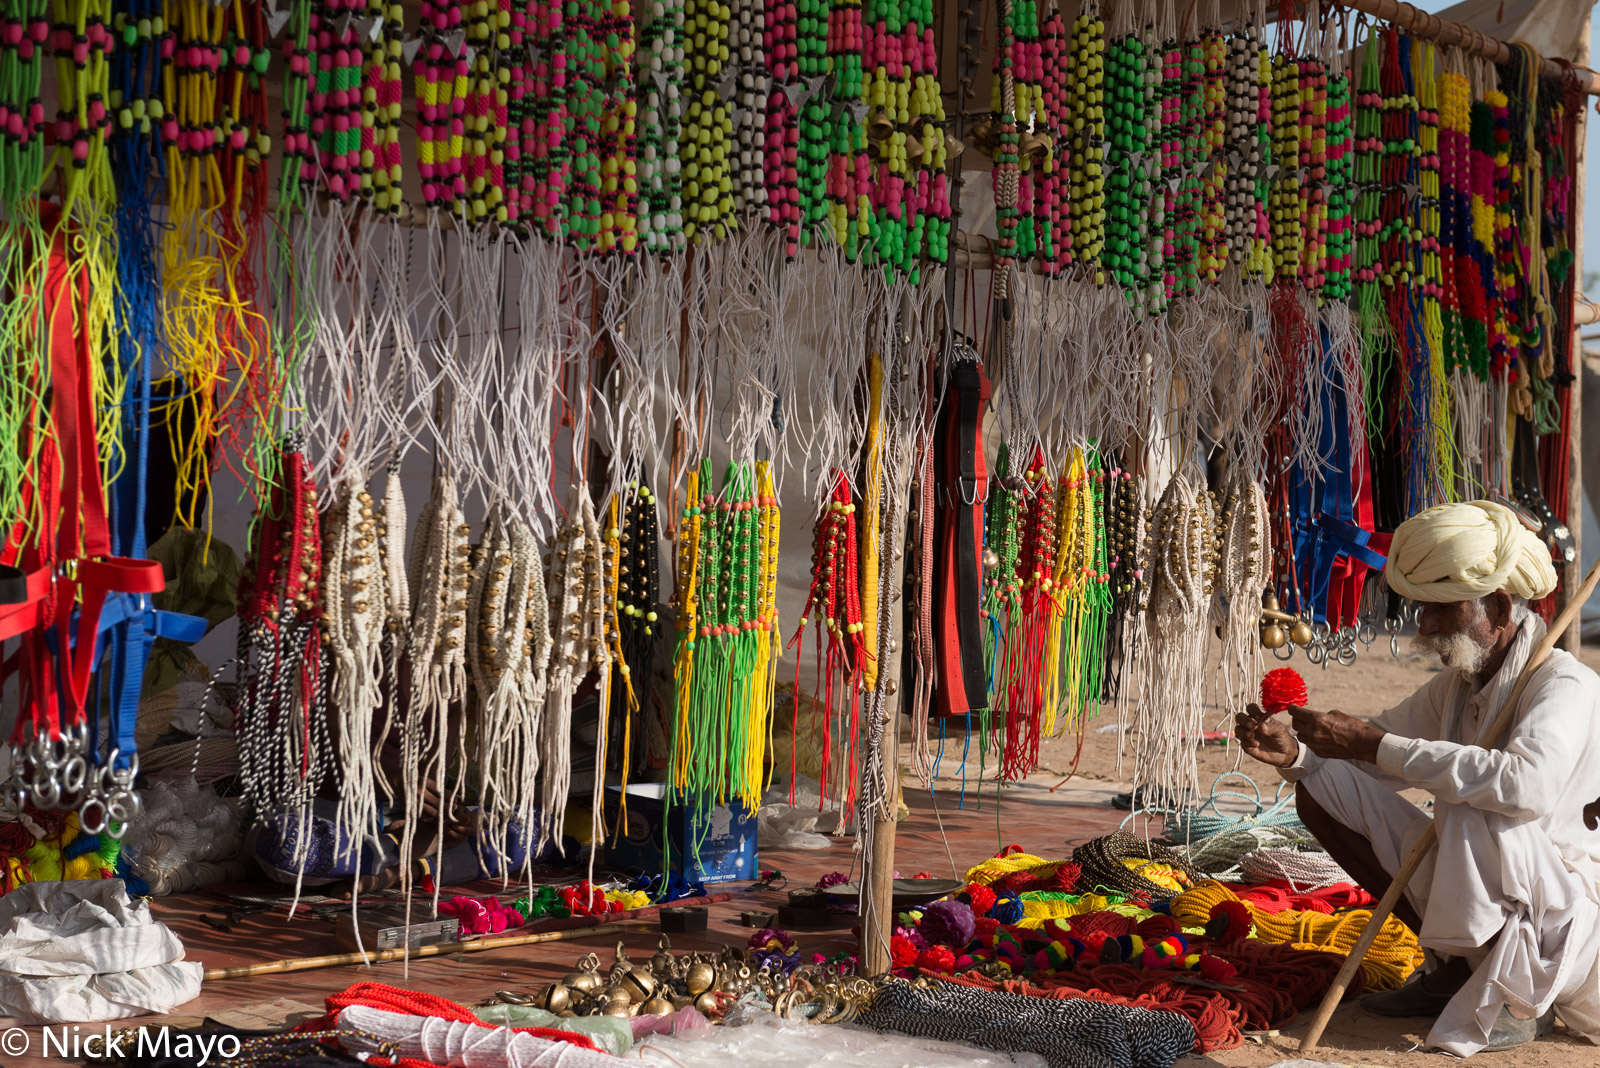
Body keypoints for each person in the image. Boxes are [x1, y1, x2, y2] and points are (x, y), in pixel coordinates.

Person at [1234, 500, 1600, 1055]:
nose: (1424, 626)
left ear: (1499, 607)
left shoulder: (1562, 684)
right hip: (1488, 881)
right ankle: (1454, 970)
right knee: (1322, 789)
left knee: (1471, 790)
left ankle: (1515, 999)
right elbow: (1367, 753)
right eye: (1421, 608)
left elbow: (1526, 787)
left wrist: (1374, 744)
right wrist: (1296, 754)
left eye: (1440, 609)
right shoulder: (1457, 685)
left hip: (1560, 919)